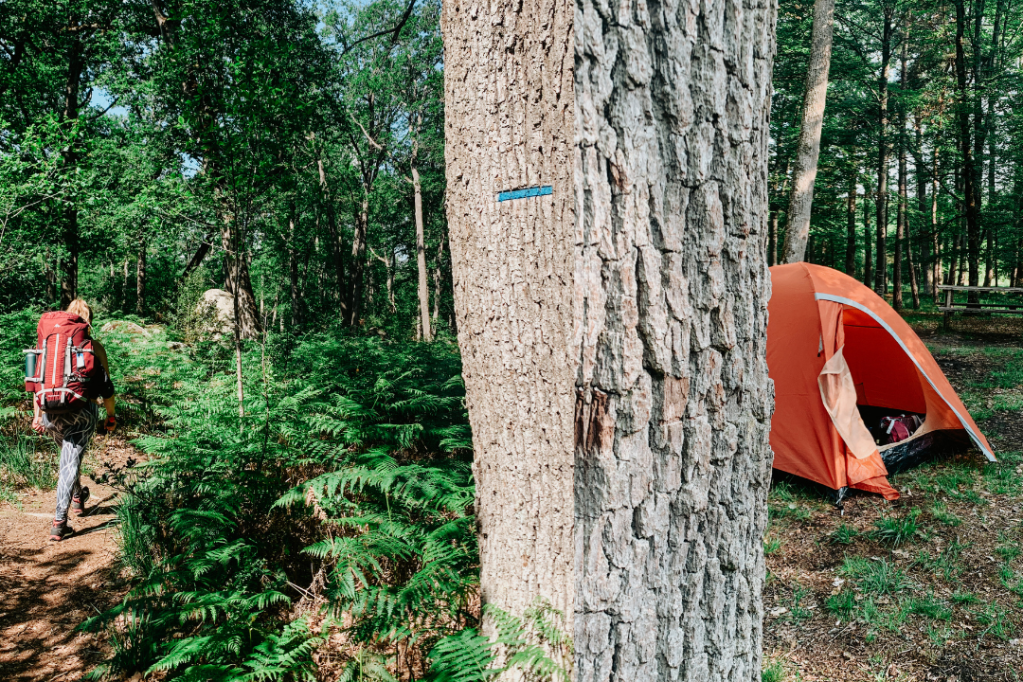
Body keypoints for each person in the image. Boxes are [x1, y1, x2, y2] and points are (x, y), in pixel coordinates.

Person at [30, 299, 117, 541]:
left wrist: (37, 415)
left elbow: (38, 381)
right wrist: (111, 416)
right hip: (81, 413)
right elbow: (106, 388)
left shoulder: (50, 344)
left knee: (70, 457)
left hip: (50, 413)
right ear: (88, 321)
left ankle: (78, 496)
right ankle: (59, 522)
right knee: (69, 461)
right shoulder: (93, 346)